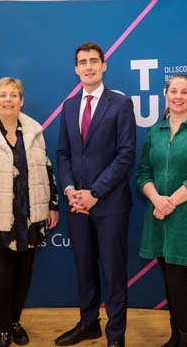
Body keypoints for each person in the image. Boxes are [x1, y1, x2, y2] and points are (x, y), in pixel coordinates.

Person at [0, 77, 60, 347]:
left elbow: (47, 170)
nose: (8, 100)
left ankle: (15, 321)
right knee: (1, 277)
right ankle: (3, 330)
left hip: (29, 218)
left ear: (21, 100)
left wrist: (53, 204)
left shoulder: (34, 131)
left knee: (23, 275)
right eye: (3, 95)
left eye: (13, 95)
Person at [55, 42, 136, 347]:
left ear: (104, 66)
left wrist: (96, 193)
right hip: (76, 204)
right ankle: (89, 324)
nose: (88, 67)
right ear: (76, 69)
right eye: (82, 62)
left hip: (110, 205)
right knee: (85, 269)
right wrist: (70, 190)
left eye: (93, 61)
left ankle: (116, 336)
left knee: (113, 273)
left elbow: (126, 155)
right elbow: (63, 152)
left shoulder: (120, 104)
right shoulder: (69, 106)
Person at [136, 74, 187, 347]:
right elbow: (143, 173)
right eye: (174, 91)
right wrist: (156, 199)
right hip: (159, 221)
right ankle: (176, 336)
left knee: (178, 284)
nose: (179, 96)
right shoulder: (155, 132)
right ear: (166, 94)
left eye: (184, 92)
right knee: (171, 285)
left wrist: (169, 202)